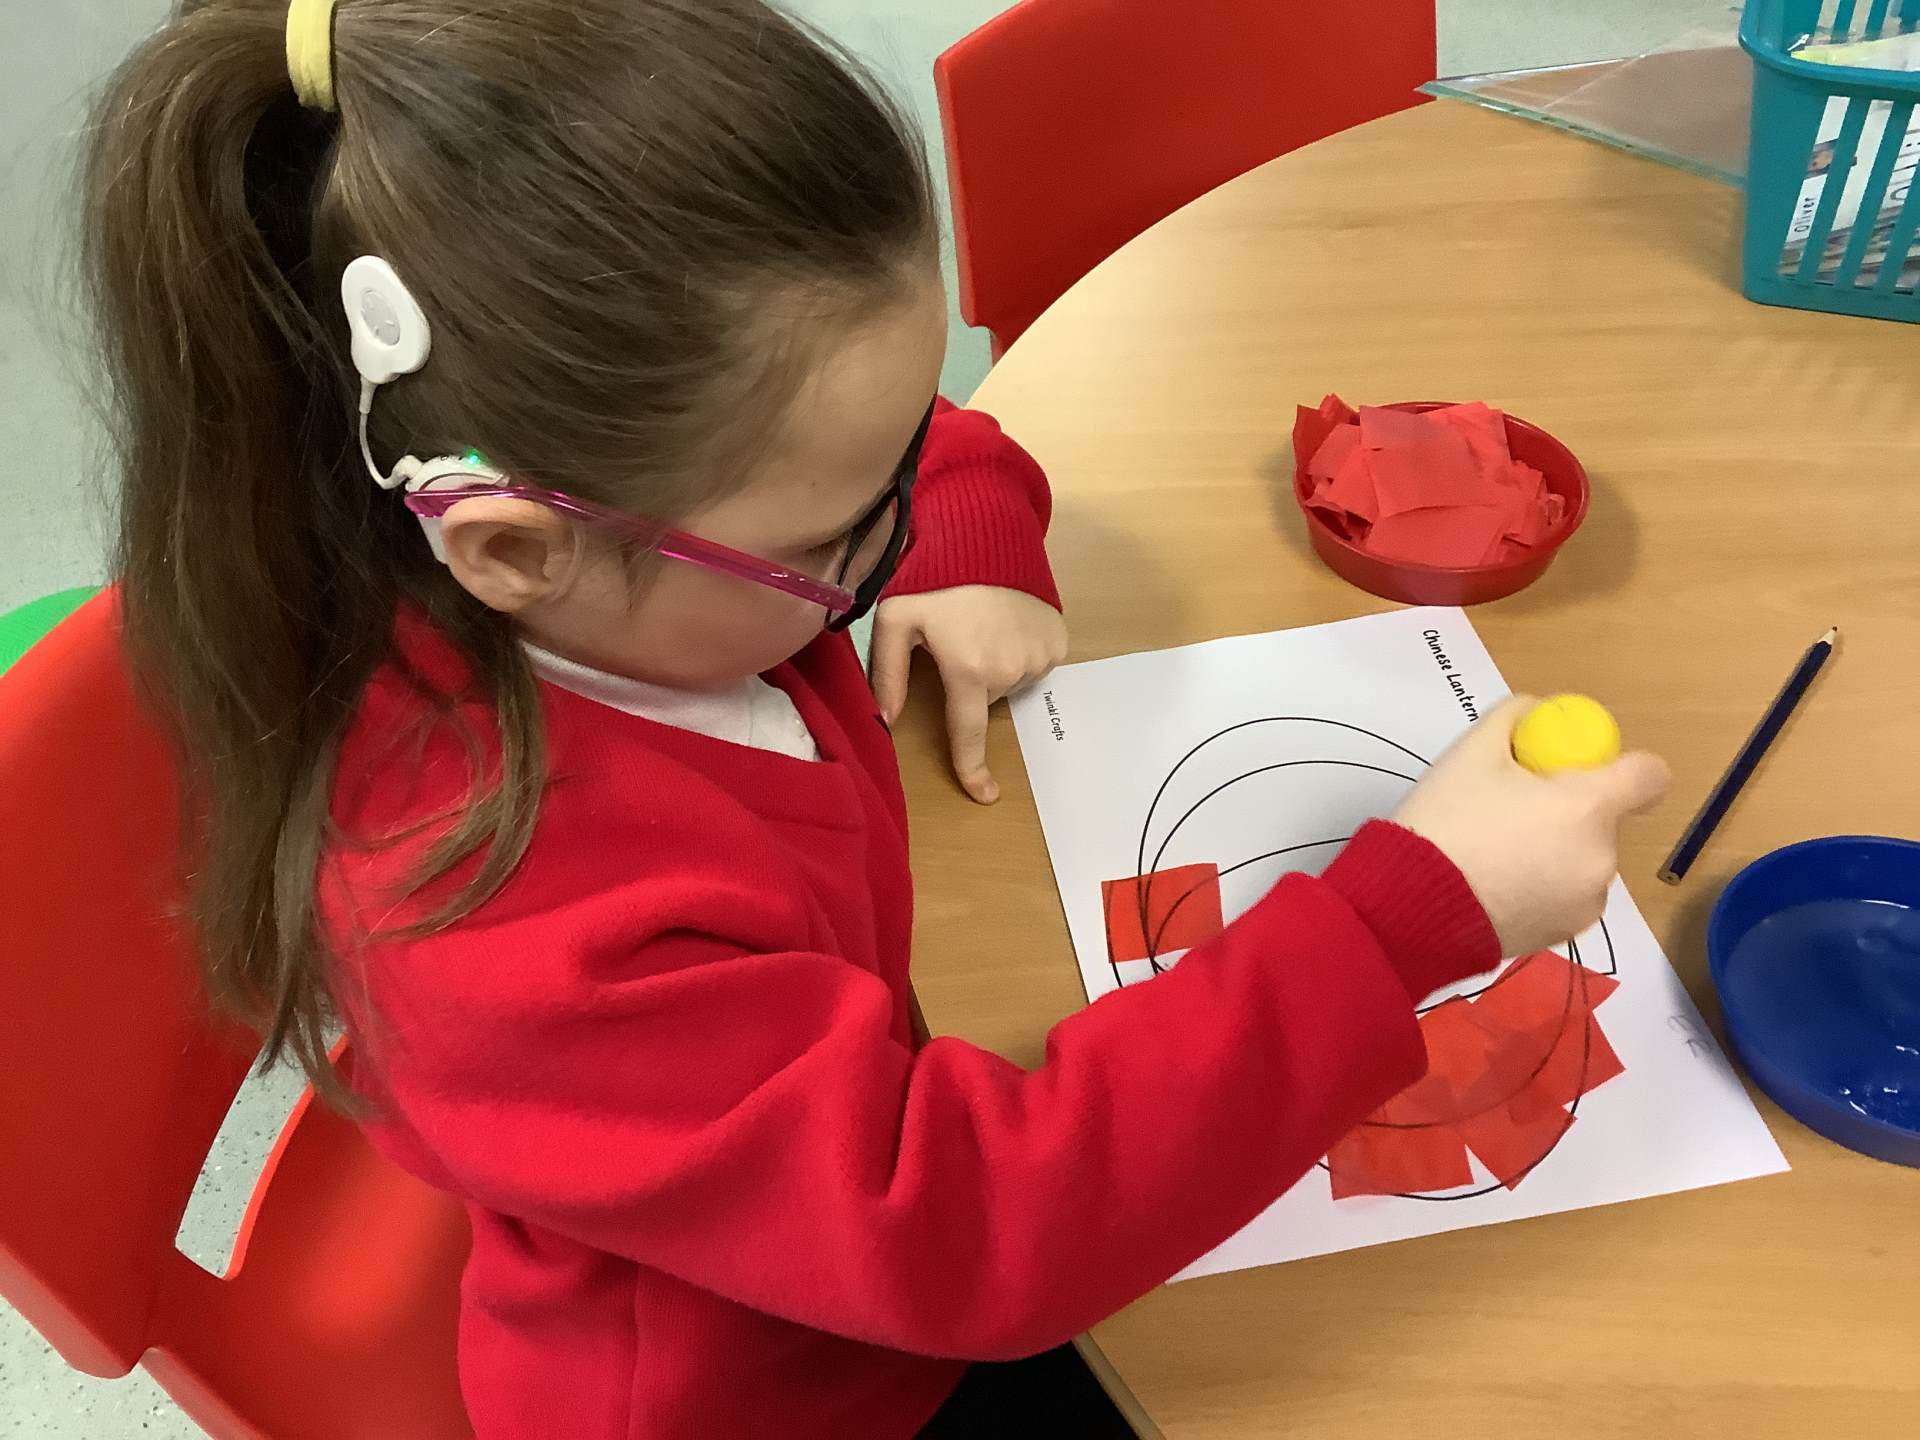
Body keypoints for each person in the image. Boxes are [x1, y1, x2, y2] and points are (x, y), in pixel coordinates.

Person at [82, 2, 1671, 1435]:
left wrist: (958, 544)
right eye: (848, 529)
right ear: (511, 549)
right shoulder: (506, 929)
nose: (890, 525)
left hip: (863, 1163)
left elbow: (918, 442)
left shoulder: (623, 550)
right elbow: (968, 1235)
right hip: (769, 1391)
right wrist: (1403, 924)